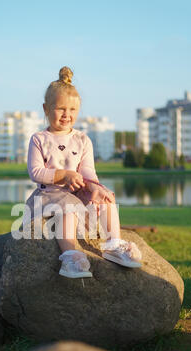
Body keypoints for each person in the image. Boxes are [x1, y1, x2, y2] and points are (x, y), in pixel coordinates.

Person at [25, 66, 142, 278]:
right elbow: (36, 172)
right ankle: (71, 256)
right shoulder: (39, 139)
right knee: (68, 209)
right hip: (49, 194)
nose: (66, 115)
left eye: (72, 110)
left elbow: (87, 170)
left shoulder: (82, 139)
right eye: (60, 109)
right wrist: (63, 175)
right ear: (46, 108)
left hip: (76, 192)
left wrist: (93, 187)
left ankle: (113, 244)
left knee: (105, 196)